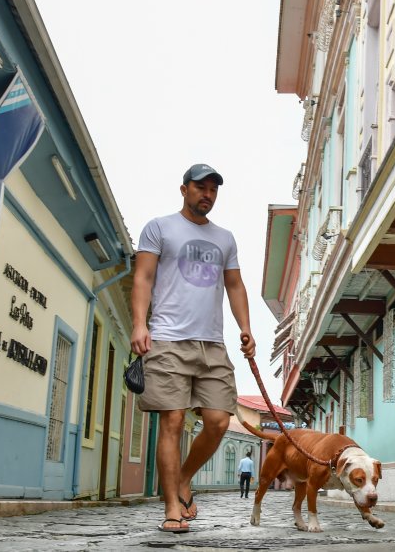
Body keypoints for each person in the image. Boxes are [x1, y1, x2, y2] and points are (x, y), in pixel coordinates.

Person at [131, 163, 256, 534]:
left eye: (213, 189)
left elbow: (234, 285)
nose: (207, 194)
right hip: (167, 338)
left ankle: (184, 478)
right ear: (184, 189)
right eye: (200, 187)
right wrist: (140, 324)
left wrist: (246, 328)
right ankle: (172, 506)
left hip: (212, 344)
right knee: (171, 421)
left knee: (218, 421)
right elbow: (143, 276)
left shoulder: (225, 238)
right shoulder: (159, 227)